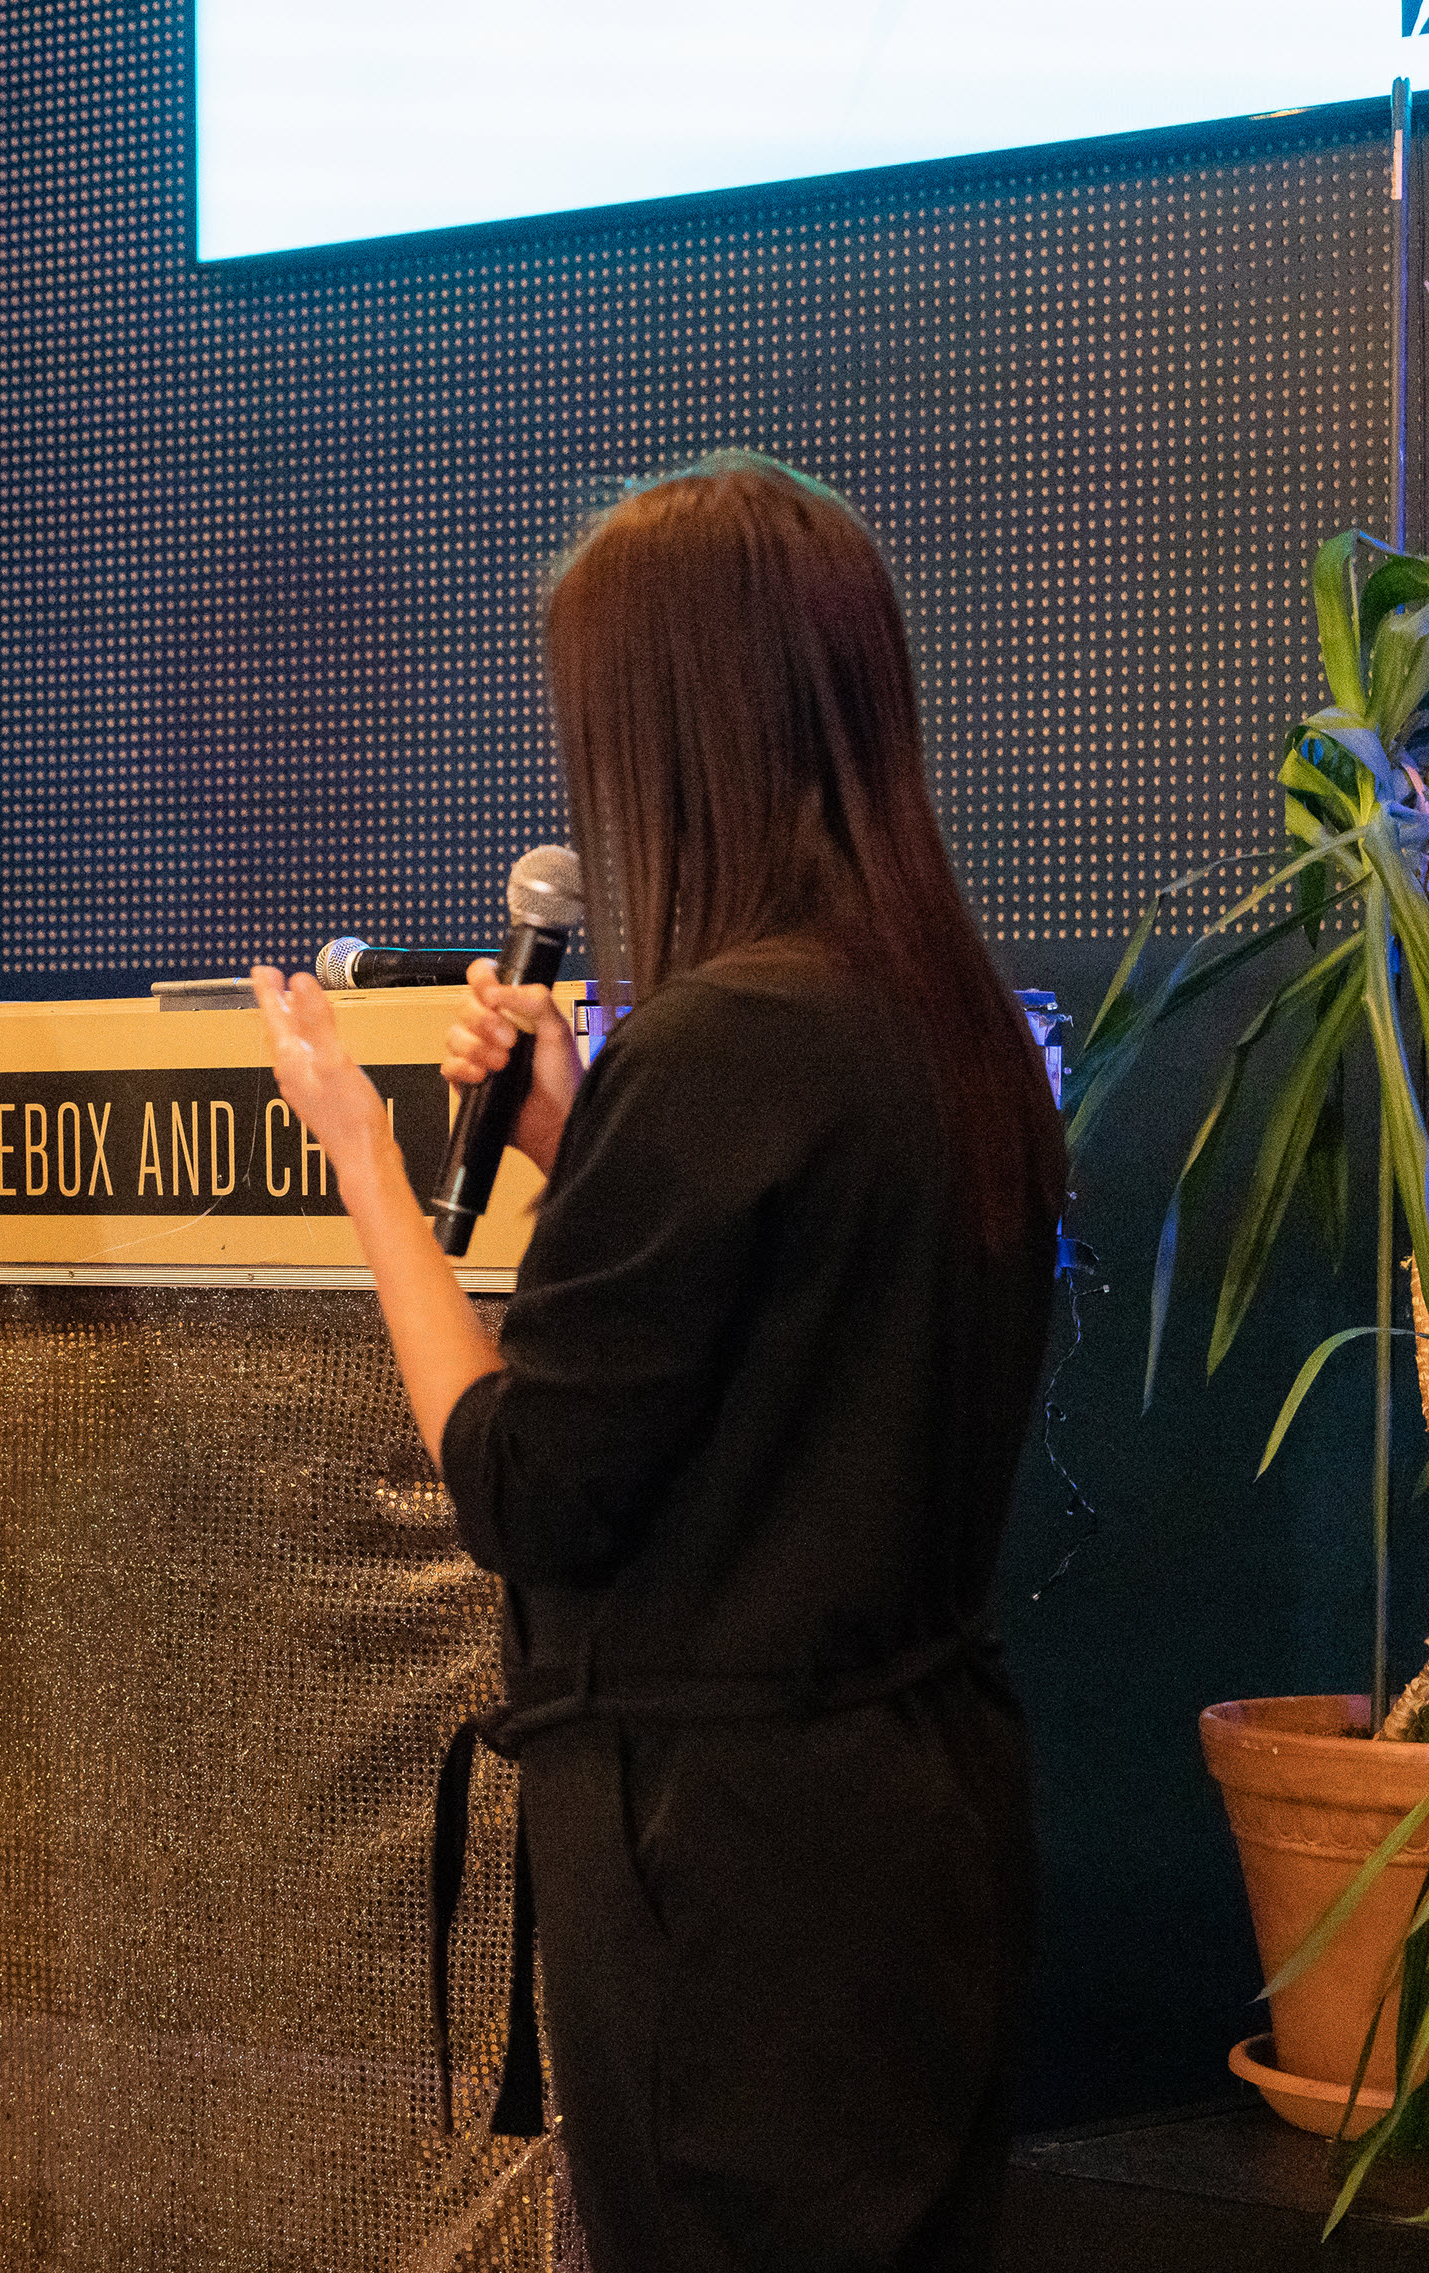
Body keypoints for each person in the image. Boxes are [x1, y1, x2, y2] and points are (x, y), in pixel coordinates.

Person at [251, 454, 1062, 2271]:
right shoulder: (946, 1016)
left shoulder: (718, 1041)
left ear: (677, 726)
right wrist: (582, 1133)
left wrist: (368, 1166)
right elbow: (783, 1337)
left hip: (731, 1882)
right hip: (918, 1827)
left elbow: (524, 1485)